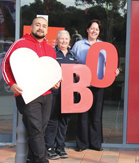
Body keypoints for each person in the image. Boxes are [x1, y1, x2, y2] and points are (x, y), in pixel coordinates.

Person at [1, 17, 60, 163]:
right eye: (38, 25)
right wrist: (11, 83)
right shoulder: (20, 44)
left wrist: (56, 82)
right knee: (36, 130)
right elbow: (5, 64)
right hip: (26, 94)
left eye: (44, 26)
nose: (41, 28)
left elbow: (52, 71)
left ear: (47, 29)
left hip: (46, 95)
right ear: (31, 27)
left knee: (40, 129)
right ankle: (41, 160)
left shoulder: (50, 49)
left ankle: (32, 159)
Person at [72, 19, 119, 151]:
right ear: (87, 30)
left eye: (97, 29)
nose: (94, 31)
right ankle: (82, 144)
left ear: (99, 32)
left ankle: (95, 143)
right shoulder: (78, 45)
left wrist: (115, 71)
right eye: (92, 28)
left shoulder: (104, 47)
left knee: (96, 116)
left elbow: (110, 64)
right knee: (82, 115)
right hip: (83, 84)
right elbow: (72, 61)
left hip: (98, 84)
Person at [44, 30, 79, 160]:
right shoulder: (52, 53)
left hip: (68, 94)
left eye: (66, 39)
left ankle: (60, 147)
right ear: (57, 40)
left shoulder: (72, 55)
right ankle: (49, 147)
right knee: (52, 120)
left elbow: (78, 72)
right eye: (61, 39)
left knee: (64, 121)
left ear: (69, 41)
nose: (64, 41)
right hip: (55, 93)